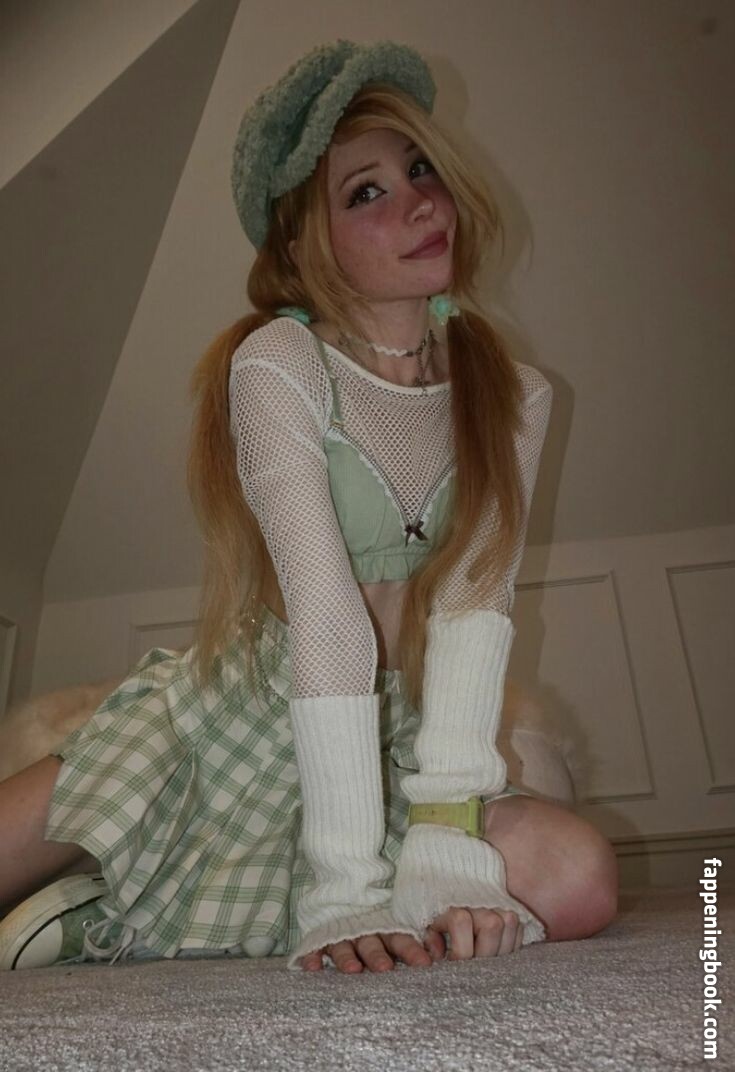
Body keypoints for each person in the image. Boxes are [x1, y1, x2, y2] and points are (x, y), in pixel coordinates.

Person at [0, 40, 617, 974]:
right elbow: (326, 615)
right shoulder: (278, 363)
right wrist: (343, 891)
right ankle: (103, 898)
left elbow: (473, 607)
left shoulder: (512, 390)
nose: (419, 203)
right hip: (251, 708)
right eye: (366, 192)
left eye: (421, 170)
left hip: (404, 732)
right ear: (301, 243)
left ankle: (97, 920)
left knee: (579, 880)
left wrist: (448, 839)